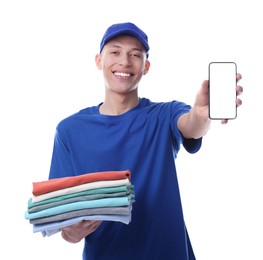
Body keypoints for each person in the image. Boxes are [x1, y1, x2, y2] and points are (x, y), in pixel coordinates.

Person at [48, 22, 243, 259]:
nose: (125, 62)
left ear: (146, 66)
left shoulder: (165, 114)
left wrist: (202, 114)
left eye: (135, 55)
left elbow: (191, 126)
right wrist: (73, 231)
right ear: (99, 60)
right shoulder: (69, 130)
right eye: (115, 52)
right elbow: (65, 229)